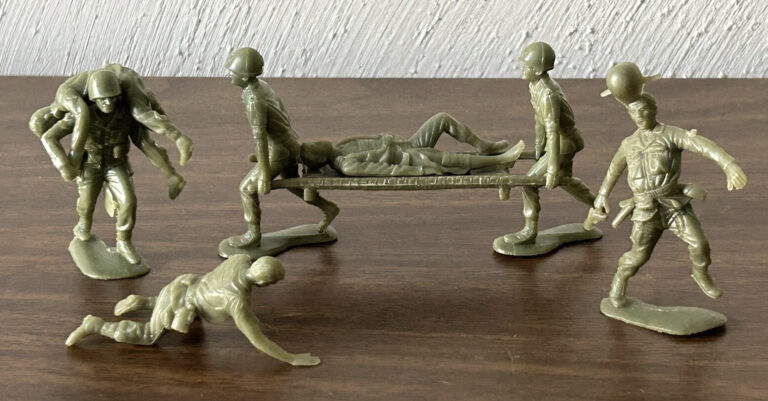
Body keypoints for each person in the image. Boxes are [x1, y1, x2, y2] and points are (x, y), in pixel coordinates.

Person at [590, 63, 747, 308]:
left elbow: (703, 145)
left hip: (673, 205)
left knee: (700, 244)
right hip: (645, 210)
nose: (639, 117)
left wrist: (729, 164)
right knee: (638, 256)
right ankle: (619, 283)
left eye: (644, 112)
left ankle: (700, 273)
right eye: (634, 113)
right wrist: (602, 195)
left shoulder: (670, 134)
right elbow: (614, 169)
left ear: (654, 111)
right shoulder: (628, 144)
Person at [66, 255, 320, 367]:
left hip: (185, 283)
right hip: (182, 303)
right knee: (148, 336)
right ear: (264, 282)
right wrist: (291, 358)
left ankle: (144, 302)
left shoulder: (240, 259)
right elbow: (257, 339)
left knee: (184, 303)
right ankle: (96, 325)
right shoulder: (237, 302)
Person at [40, 69, 185, 264]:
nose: (108, 103)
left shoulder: (127, 114)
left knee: (129, 201)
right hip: (91, 164)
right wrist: (63, 164)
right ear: (94, 98)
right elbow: (49, 137)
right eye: (102, 99)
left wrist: (168, 172)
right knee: (86, 203)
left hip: (117, 164)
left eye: (112, 98)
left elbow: (144, 142)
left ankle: (124, 242)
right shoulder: (80, 115)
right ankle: (84, 224)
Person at [225, 47, 339, 249]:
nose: (229, 75)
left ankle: (253, 234)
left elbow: (260, 137)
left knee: (247, 188)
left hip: (278, 149)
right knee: (292, 184)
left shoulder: (253, 99)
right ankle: (328, 208)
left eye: (233, 72)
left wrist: (264, 174)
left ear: (244, 76)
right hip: (289, 143)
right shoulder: (262, 86)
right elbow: (282, 115)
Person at [503, 42, 596, 245]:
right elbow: (539, 119)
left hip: (563, 143)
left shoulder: (547, 94)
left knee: (529, 183)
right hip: (560, 142)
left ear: (538, 70)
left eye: (526, 66)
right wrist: (539, 145)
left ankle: (530, 230)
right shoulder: (534, 85)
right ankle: (598, 205)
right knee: (565, 181)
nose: (522, 69)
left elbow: (553, 130)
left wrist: (552, 168)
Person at [29, 63, 194, 168]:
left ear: (48, 119)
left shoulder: (64, 96)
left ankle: (180, 138)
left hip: (122, 78)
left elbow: (83, 116)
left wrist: (73, 161)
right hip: (110, 89)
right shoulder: (64, 107)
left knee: (139, 113)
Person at [298, 112, 521, 176]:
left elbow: (373, 140)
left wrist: (385, 138)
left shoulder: (343, 144)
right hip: (408, 158)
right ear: (319, 157)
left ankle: (482, 146)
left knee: (441, 119)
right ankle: (501, 160)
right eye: (316, 145)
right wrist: (421, 170)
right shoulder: (347, 164)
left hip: (407, 144)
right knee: (451, 159)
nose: (319, 141)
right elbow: (388, 170)